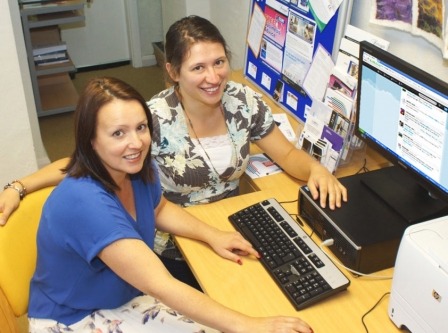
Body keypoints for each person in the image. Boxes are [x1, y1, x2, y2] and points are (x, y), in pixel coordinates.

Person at [0, 15, 346, 290]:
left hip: (229, 224)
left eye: (219, 62)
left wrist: (316, 169)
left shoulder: (243, 101)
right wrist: (19, 187)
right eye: (198, 68)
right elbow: (83, 164)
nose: (213, 77)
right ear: (173, 71)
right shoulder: (151, 118)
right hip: (173, 245)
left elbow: (286, 155)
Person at [23, 76, 313, 333]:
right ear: (90, 141)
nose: (136, 143)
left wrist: (212, 235)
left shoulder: (134, 167)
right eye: (118, 133)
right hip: (72, 317)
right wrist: (248, 326)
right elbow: (160, 284)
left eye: (140, 128)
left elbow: (158, 208)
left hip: (122, 295)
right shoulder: (85, 201)